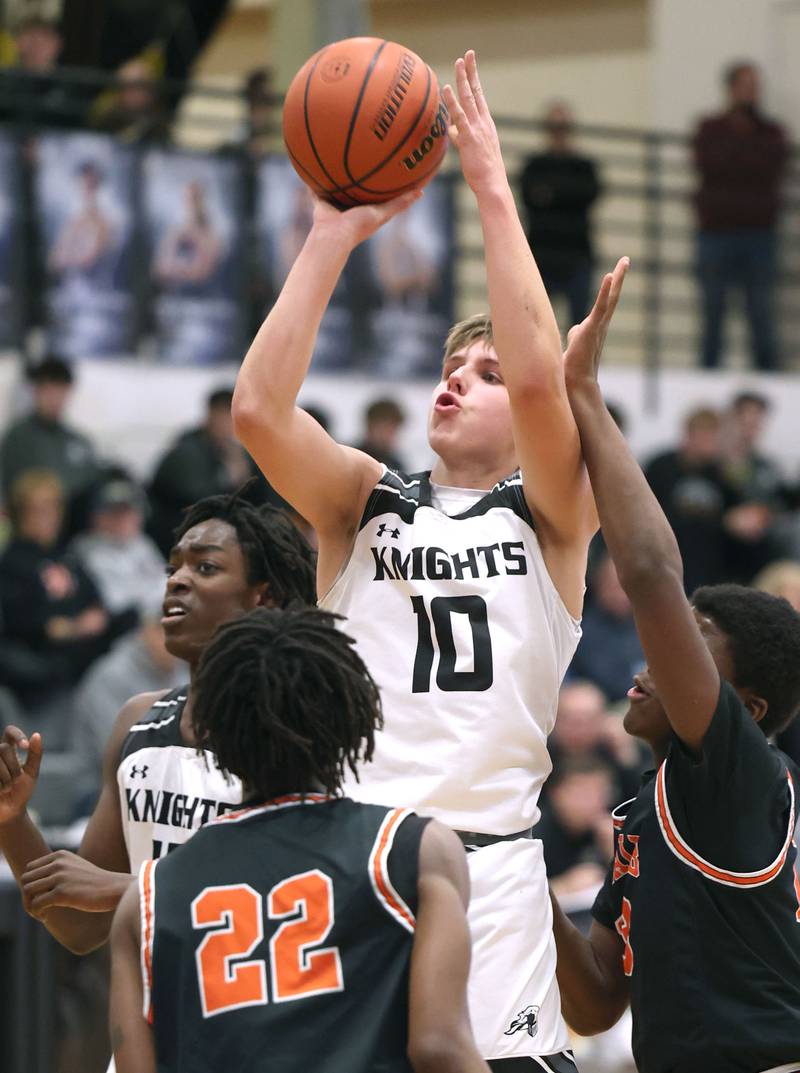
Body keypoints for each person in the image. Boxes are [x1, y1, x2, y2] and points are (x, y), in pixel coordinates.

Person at [232, 51, 600, 1069]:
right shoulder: (365, 500)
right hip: (360, 858)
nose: (454, 384)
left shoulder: (551, 514)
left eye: (480, 375)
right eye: (447, 367)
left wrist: (486, 177)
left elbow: (542, 379)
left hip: (489, 872)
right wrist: (329, 233)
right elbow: (259, 411)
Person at [549, 260, 800, 1073]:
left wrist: (584, 394)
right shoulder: (641, 810)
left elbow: (653, 575)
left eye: (691, 643)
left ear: (747, 708)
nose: (657, 658)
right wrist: (503, 846)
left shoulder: (740, 773)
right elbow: (595, 1000)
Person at [109, 605, 491, 1073]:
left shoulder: (146, 897)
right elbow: (438, 1046)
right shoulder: (411, 848)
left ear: (212, 729)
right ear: (353, 714)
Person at [0, 491, 317, 964]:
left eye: (205, 568)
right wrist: (11, 821)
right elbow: (80, 923)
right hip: (154, 1025)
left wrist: (128, 887)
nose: (178, 582)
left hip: (260, 1023)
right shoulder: (138, 721)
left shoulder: (303, 726)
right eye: (173, 570)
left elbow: (295, 898)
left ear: (262, 596)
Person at [0, 470, 130, 745]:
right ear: (21, 513)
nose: (49, 517)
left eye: (54, 508)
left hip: (88, 654)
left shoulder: (67, 555)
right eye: (40, 510)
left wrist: (82, 623)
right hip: (47, 666)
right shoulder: (12, 563)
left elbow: (97, 601)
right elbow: (28, 623)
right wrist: (74, 626)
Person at [693, 61, 788, 371]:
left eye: (755, 85)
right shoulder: (711, 128)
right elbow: (711, 165)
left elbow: (770, 168)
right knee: (713, 310)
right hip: (716, 233)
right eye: (745, 85)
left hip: (759, 234)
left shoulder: (772, 131)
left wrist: (738, 157)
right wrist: (745, 157)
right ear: (732, 89)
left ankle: (768, 376)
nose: (751, 92)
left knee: (761, 311)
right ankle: (708, 374)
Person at [519, 101, 601, 326]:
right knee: (536, 326)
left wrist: (550, 193)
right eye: (554, 127)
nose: (558, 133)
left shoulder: (584, 167)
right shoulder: (534, 166)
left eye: (563, 127)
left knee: (581, 327)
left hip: (577, 256)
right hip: (541, 257)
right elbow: (529, 197)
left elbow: (589, 194)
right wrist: (569, 194)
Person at [148, 389, 255, 555]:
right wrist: (227, 478)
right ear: (212, 415)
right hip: (174, 534)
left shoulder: (231, 451)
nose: (231, 426)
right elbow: (195, 499)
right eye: (226, 417)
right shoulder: (186, 451)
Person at [0, 356, 98, 527]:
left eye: (60, 390)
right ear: (35, 391)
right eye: (48, 390)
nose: (54, 398)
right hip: (28, 529)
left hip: (72, 530)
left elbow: (91, 488)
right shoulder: (17, 438)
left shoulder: (79, 441)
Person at [643, 406, 733, 593]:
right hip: (666, 549)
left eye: (714, 437)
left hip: (708, 558)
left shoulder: (720, 473)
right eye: (704, 436)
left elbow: (731, 513)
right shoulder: (661, 467)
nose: (709, 443)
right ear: (689, 434)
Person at [70, 476, 165, 624]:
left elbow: (167, 584)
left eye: (128, 511)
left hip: (158, 621)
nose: (123, 518)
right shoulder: (89, 550)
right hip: (121, 633)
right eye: (115, 512)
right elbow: (117, 603)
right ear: (97, 516)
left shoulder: (142, 542)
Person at [567, 551, 644, 702]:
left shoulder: (654, 626)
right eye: (613, 585)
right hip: (598, 711)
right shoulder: (578, 628)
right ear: (599, 584)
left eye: (626, 586)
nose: (620, 593)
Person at [353, 396, 407, 471]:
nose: (390, 435)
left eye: (394, 429)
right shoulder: (351, 458)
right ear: (370, 426)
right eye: (386, 428)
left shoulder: (396, 465)